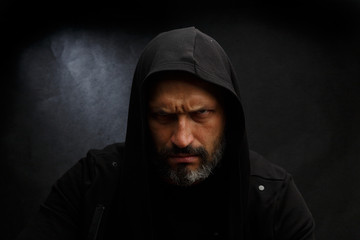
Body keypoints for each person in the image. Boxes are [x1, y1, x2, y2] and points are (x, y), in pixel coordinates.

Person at [16, 26, 315, 240]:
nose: (182, 138)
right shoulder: (92, 184)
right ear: (141, 118)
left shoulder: (273, 199)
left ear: (228, 117)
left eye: (200, 114)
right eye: (163, 116)